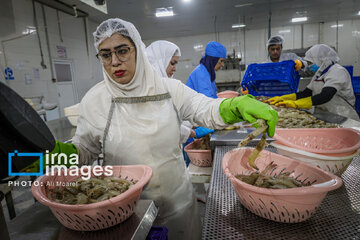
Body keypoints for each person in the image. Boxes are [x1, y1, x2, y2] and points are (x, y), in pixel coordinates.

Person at [24, 18, 278, 239]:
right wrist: (55, 155)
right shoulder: (95, 99)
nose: (114, 61)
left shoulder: (168, 89)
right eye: (105, 54)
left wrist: (234, 106)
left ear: (137, 49)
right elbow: (86, 149)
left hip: (177, 206)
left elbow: (204, 109)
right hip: (122, 212)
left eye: (122, 50)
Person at [265, 44, 359, 120]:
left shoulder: (337, 71)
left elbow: (325, 96)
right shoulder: (319, 74)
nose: (309, 66)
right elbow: (306, 93)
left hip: (345, 117)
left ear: (320, 59)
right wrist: (282, 98)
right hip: (327, 114)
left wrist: (296, 104)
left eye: (310, 62)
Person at [145, 40, 214, 144]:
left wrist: (194, 123)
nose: (175, 69)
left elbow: (177, 115)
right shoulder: (148, 89)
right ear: (159, 62)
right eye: (172, 63)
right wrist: (193, 133)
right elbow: (163, 127)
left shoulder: (167, 85)